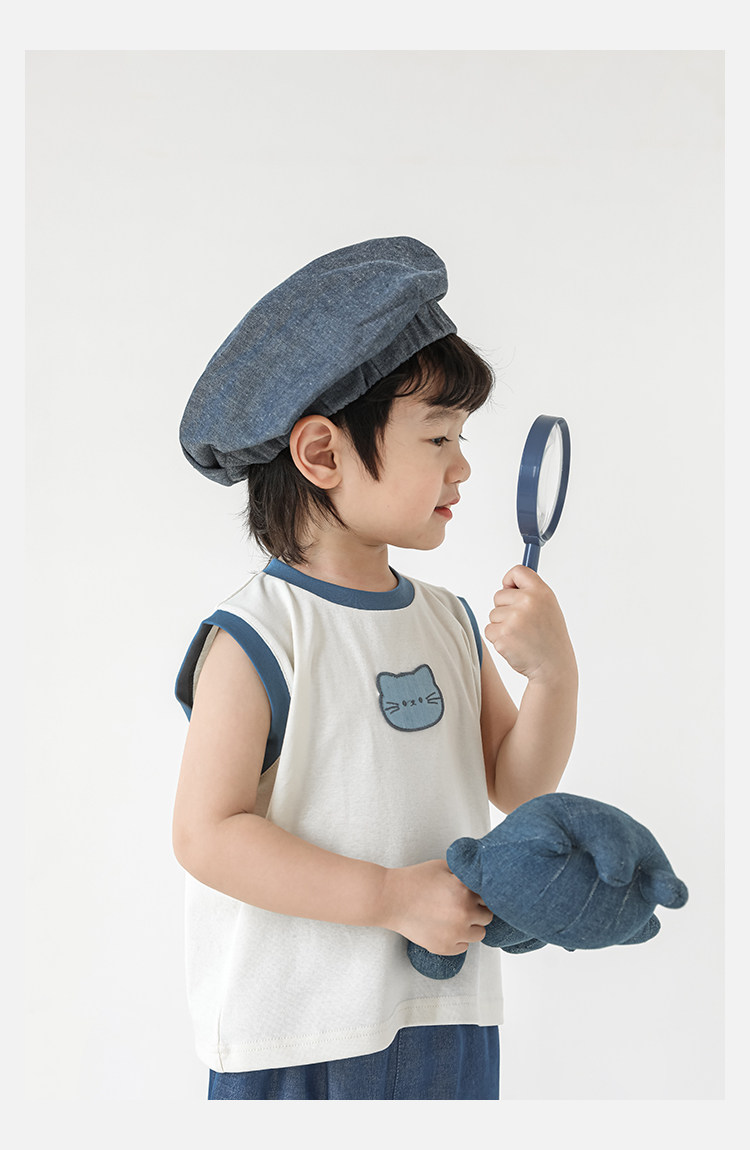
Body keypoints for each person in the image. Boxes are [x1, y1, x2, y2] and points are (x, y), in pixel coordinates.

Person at [172, 236, 578, 1100]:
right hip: (299, 1033)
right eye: (438, 436)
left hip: (447, 1019)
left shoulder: (446, 620)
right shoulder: (258, 635)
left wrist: (553, 676)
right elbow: (207, 834)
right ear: (322, 455)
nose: (462, 465)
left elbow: (518, 783)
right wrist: (389, 897)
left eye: (461, 436)